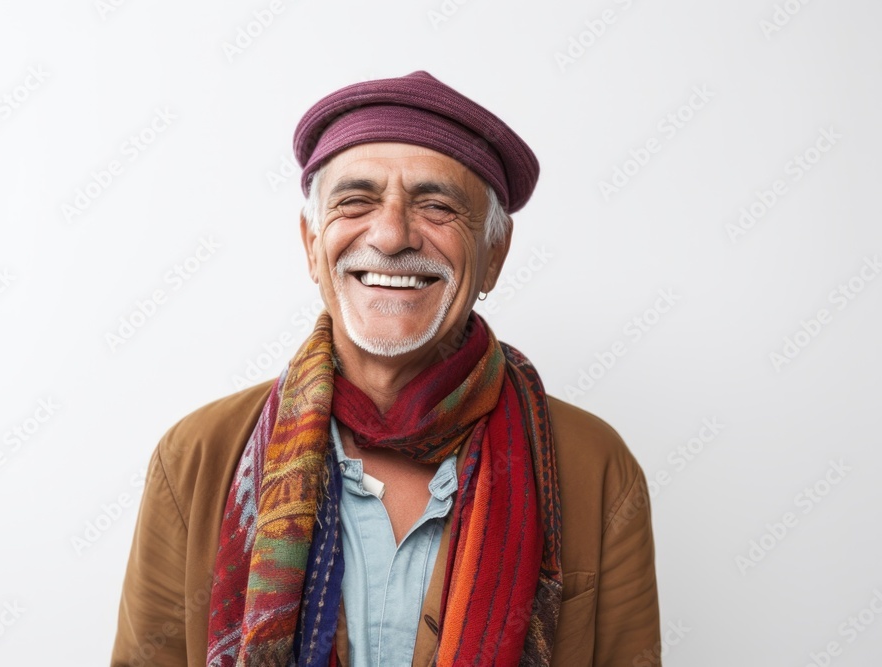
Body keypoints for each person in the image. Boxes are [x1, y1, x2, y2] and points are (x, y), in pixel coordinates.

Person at [111, 70, 661, 667]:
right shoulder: (196, 457)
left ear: (494, 256)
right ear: (311, 245)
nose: (393, 234)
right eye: (356, 201)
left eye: (437, 206)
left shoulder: (594, 466)